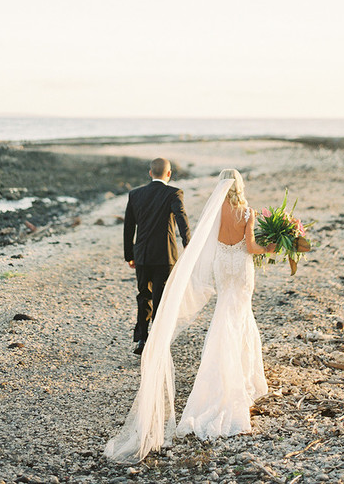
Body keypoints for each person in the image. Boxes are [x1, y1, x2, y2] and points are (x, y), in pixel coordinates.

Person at [105, 169, 275, 463]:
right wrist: (271, 247)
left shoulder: (215, 213)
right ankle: (243, 380)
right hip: (242, 270)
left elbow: (202, 245)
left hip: (223, 267)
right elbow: (250, 247)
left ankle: (220, 381)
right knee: (241, 316)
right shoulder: (246, 211)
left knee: (224, 315)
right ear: (240, 186)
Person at [123, 157, 191, 355]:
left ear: (150, 173)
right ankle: (158, 340)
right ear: (169, 174)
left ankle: (142, 340)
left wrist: (129, 255)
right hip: (165, 255)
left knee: (144, 296)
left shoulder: (135, 194)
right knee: (162, 297)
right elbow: (181, 218)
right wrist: (188, 244)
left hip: (142, 254)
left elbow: (129, 228)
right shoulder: (174, 193)